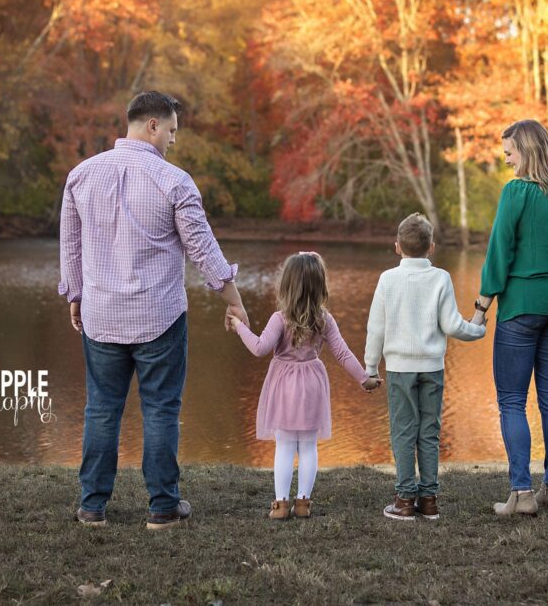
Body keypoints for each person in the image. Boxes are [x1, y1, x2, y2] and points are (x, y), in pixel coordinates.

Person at [58, 90, 248, 530]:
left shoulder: (81, 176)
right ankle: (163, 508)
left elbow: (70, 244)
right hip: (158, 317)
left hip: (102, 316)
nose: (174, 142)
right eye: (173, 131)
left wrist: (76, 294)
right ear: (153, 126)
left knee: (102, 408)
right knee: (161, 409)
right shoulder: (175, 182)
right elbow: (203, 250)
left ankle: (92, 506)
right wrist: (234, 299)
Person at [471, 119, 548, 516]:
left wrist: (480, 310)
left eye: (510, 153)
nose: (507, 161)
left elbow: (499, 254)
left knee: (511, 399)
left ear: (527, 150)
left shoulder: (517, 193)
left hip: (522, 309)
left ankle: (522, 494)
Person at [226, 252, 380, 520]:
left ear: (286, 285)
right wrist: (364, 378)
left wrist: (239, 325)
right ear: (320, 286)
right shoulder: (324, 319)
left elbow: (260, 348)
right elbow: (343, 354)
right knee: (308, 446)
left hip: (284, 386)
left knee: (285, 446)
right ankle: (303, 503)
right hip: (312, 385)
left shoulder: (279, 318)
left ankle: (281, 504)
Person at [364, 213, 487, 521]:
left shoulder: (387, 279)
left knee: (404, 432)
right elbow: (452, 325)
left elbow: (375, 328)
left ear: (397, 247)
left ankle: (405, 499)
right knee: (429, 432)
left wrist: (370, 367)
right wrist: (479, 328)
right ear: (432, 247)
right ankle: (429, 499)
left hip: (399, 369)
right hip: (432, 368)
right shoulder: (441, 277)